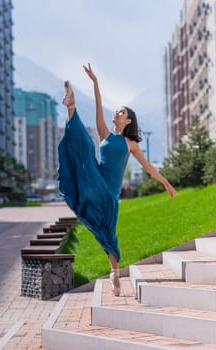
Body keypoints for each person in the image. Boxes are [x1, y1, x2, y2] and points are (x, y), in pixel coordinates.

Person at [58, 64, 176, 296]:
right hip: (95, 180)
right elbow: (100, 108)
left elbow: (148, 166)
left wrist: (166, 183)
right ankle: (71, 107)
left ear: (129, 121)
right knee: (84, 144)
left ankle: (114, 272)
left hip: (109, 195)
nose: (118, 113)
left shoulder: (131, 144)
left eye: (123, 112)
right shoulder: (104, 133)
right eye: (118, 111)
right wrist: (95, 82)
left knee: (108, 233)